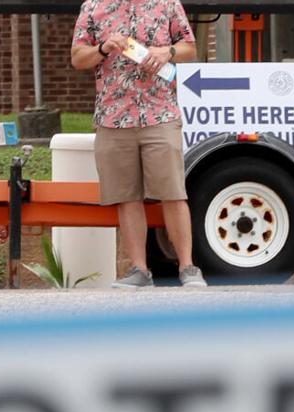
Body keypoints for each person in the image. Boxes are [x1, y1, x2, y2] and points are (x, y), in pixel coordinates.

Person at [71, 0, 206, 288]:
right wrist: (103, 48)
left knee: (172, 191)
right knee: (126, 195)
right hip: (113, 117)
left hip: (160, 114)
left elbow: (190, 48)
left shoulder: (167, 4)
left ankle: (188, 267)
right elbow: (78, 58)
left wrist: (165, 52)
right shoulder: (92, 7)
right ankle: (139, 270)